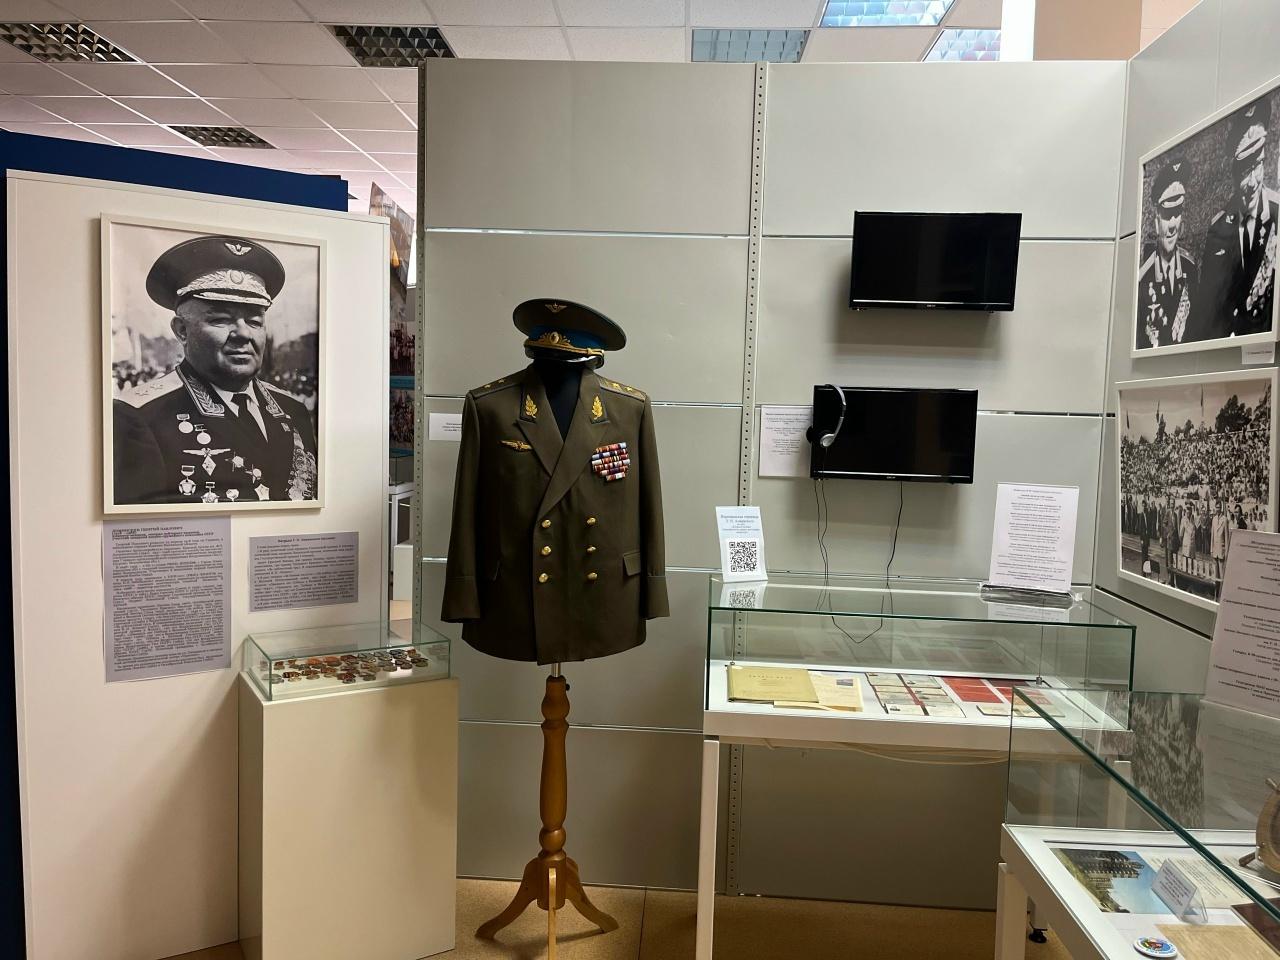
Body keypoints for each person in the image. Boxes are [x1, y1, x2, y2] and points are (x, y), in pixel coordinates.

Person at [112, 235, 319, 505]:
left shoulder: (293, 410)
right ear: (182, 331)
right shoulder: (139, 417)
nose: (243, 334)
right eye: (221, 320)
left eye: (255, 321)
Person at [1197, 98, 1278, 339]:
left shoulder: (1277, 213)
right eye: (1245, 171)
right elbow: (1208, 310)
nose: (1253, 182)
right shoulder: (1218, 228)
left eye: (1258, 165)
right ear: (1233, 173)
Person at [1139, 160, 1198, 347]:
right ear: (1156, 220)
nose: (1172, 224)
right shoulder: (1144, 277)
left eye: (1177, 212)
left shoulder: (1190, 267)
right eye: (1166, 215)